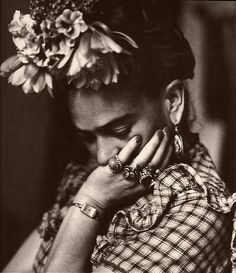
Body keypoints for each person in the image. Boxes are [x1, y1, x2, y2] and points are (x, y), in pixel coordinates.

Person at [1, 0, 236, 272]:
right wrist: (88, 197)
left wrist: (91, 202)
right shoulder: (93, 179)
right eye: (87, 137)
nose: (102, 157)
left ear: (172, 101)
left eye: (119, 131)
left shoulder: (195, 216)